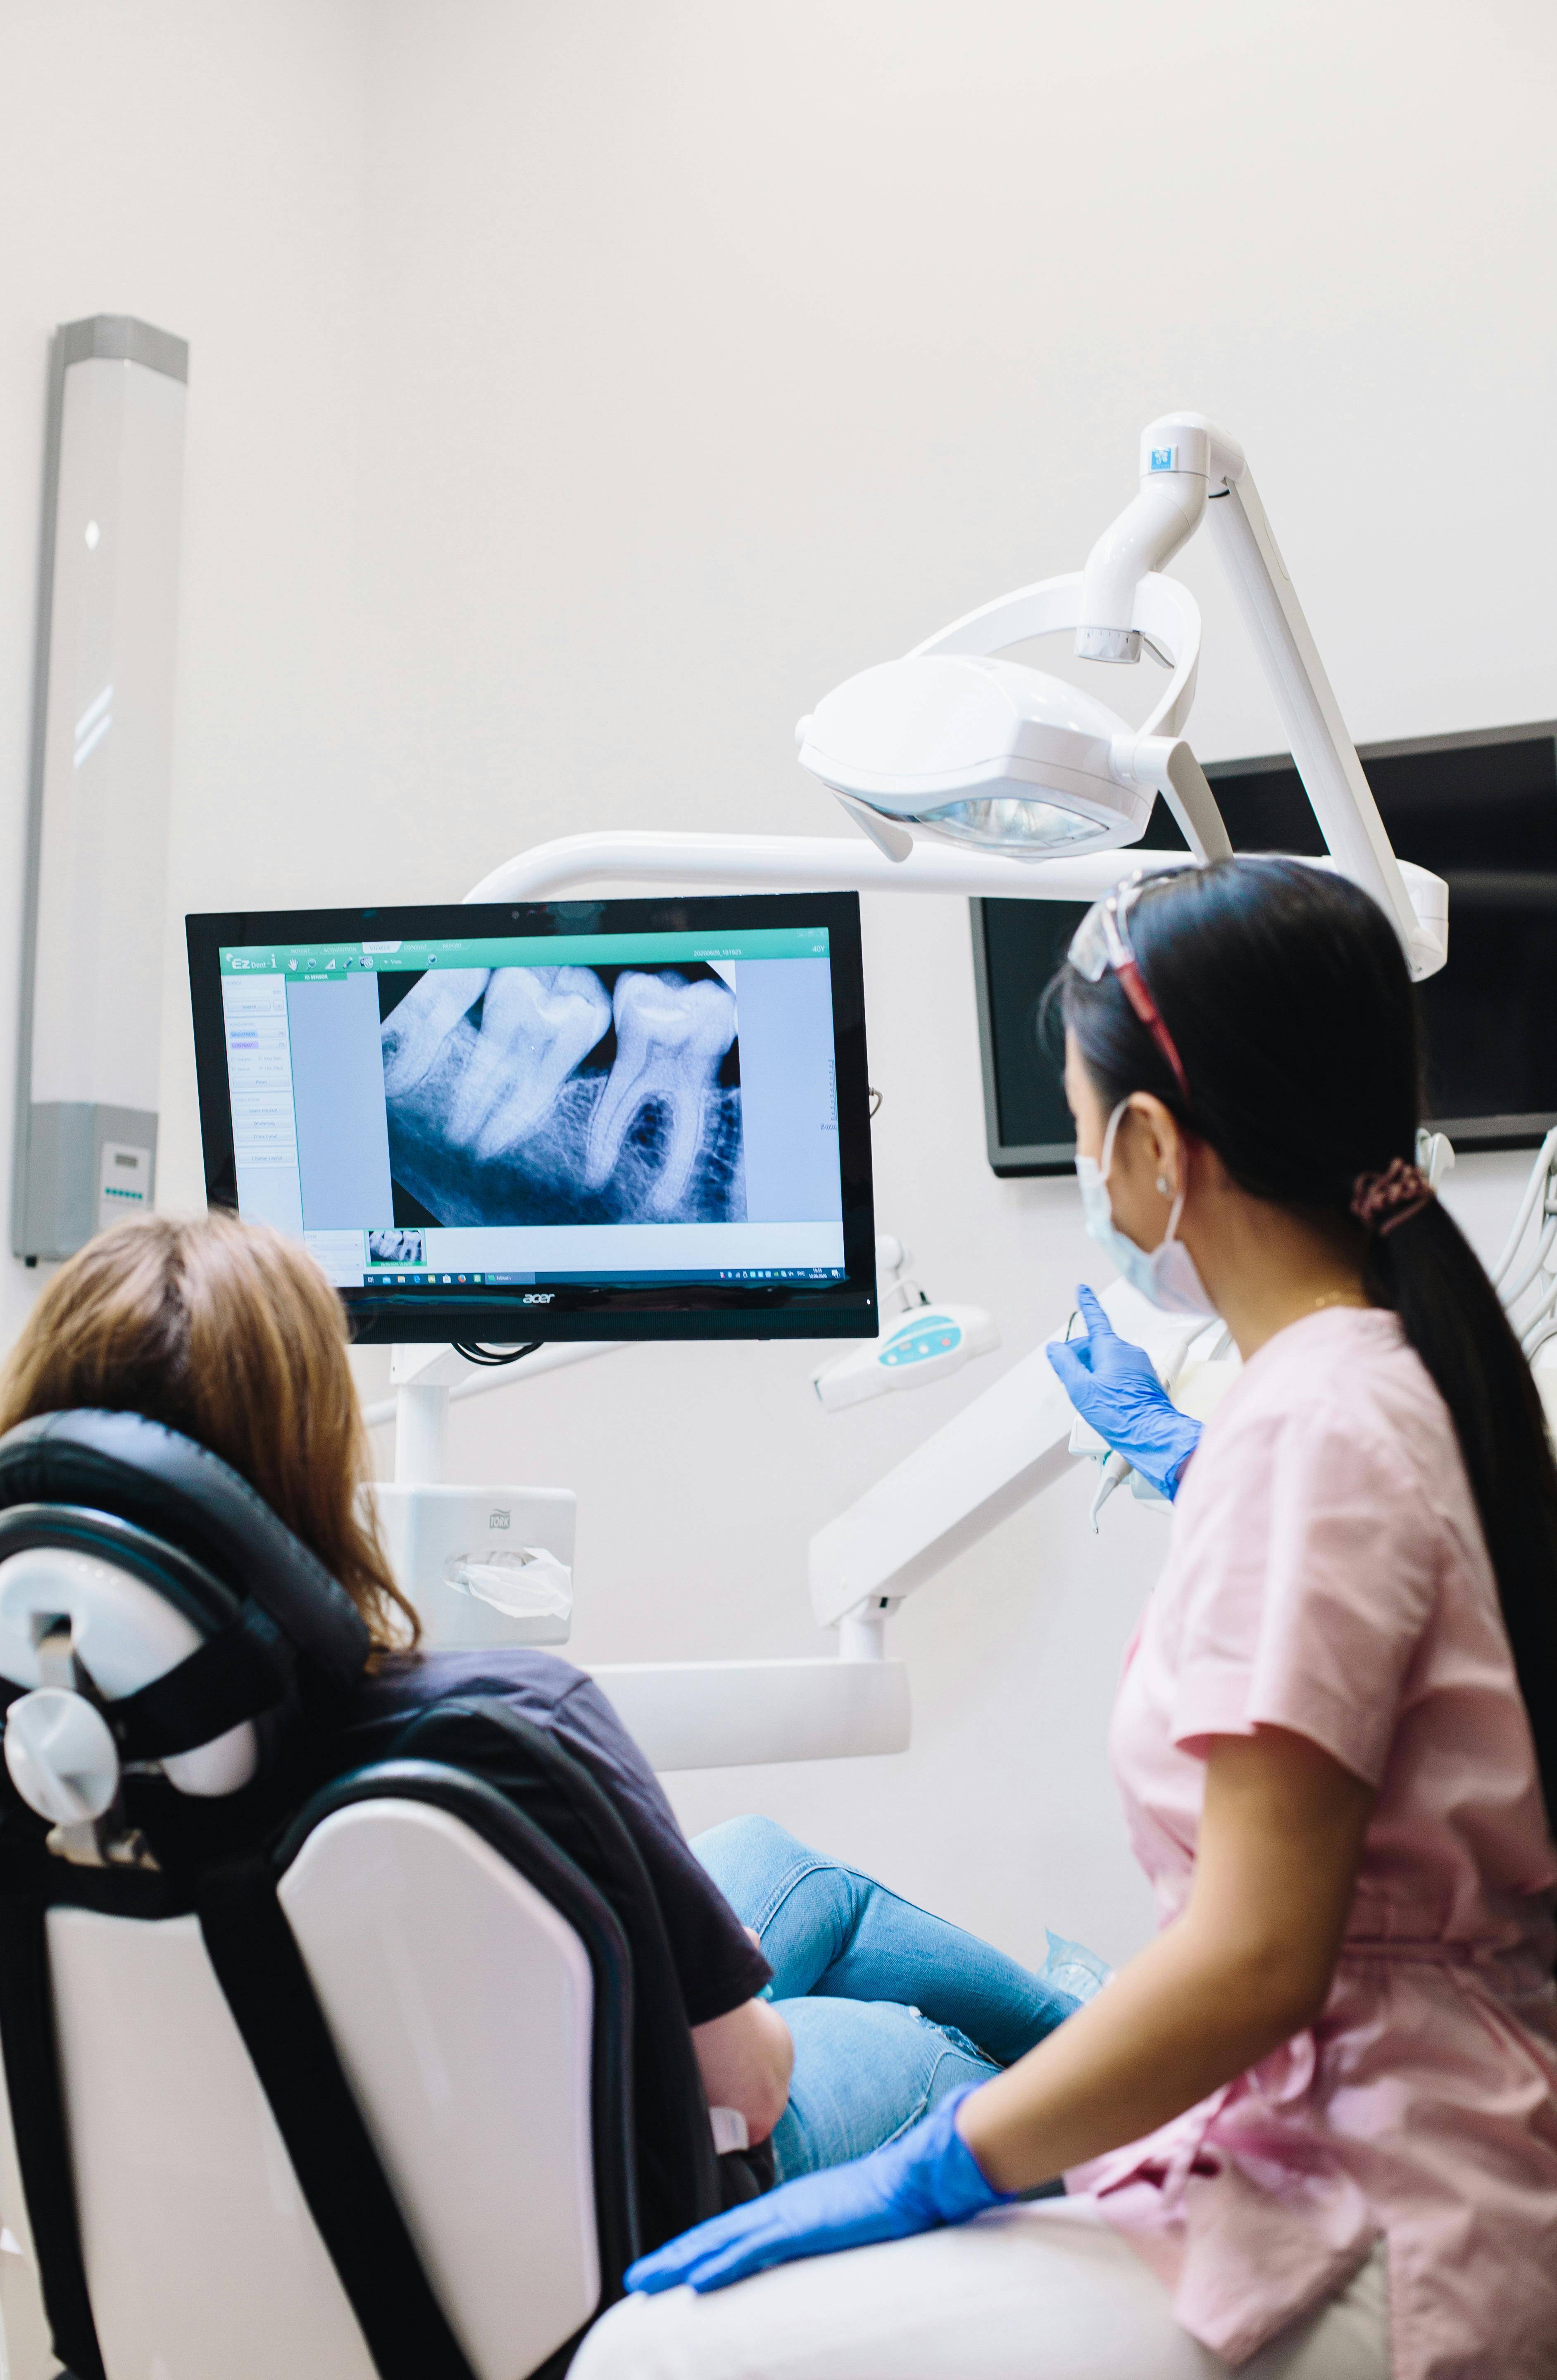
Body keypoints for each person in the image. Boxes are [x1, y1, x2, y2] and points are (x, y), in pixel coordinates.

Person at [576, 857, 1557, 2380]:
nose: (1096, 1177)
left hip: (1377, 2215)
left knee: (655, 2356)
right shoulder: (1372, 1388)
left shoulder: (1315, 1424)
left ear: (1157, 1150)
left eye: (1088, 1129)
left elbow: (1254, 1960)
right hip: (1348, 2154)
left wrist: (936, 2168)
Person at [0, 1210, 790, 2146]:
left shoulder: (40, 1791)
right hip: (624, 2249)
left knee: (776, 1860)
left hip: (220, 2253)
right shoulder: (509, 1728)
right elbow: (749, 2093)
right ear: (307, 1466)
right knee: (906, 2022)